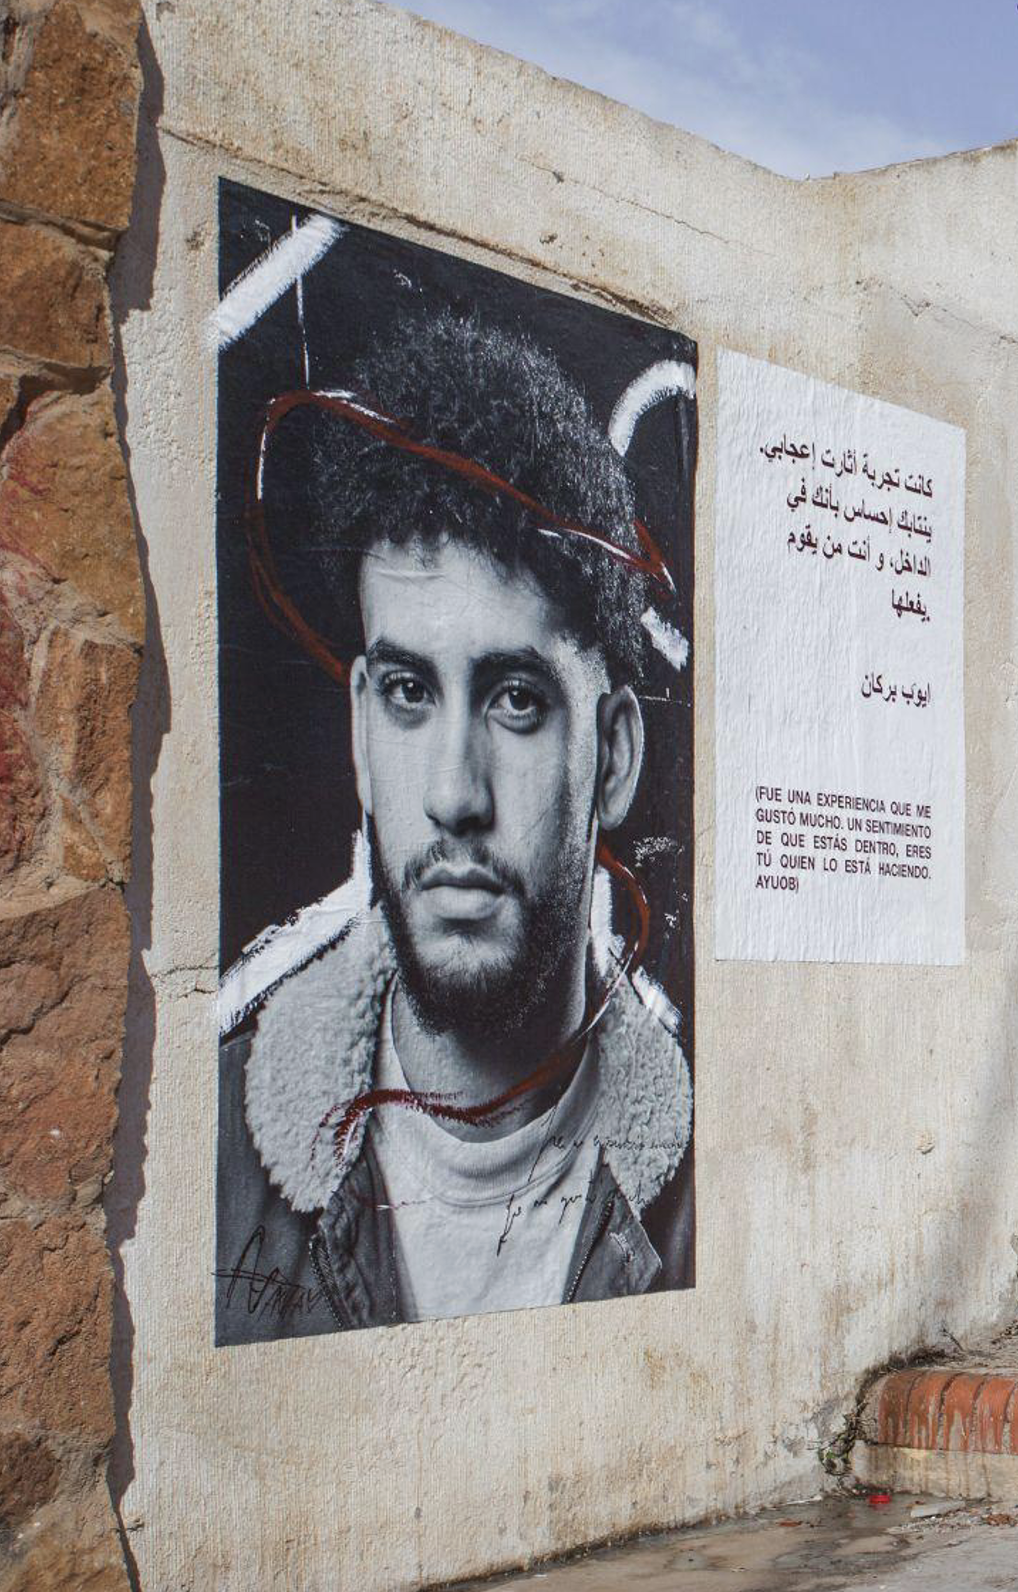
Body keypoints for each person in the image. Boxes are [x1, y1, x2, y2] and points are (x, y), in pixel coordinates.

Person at [216, 317, 693, 1342]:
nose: (452, 791)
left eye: (516, 698)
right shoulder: (207, 1161)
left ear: (611, 756)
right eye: (407, 691)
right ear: (357, 730)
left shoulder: (705, 1186)